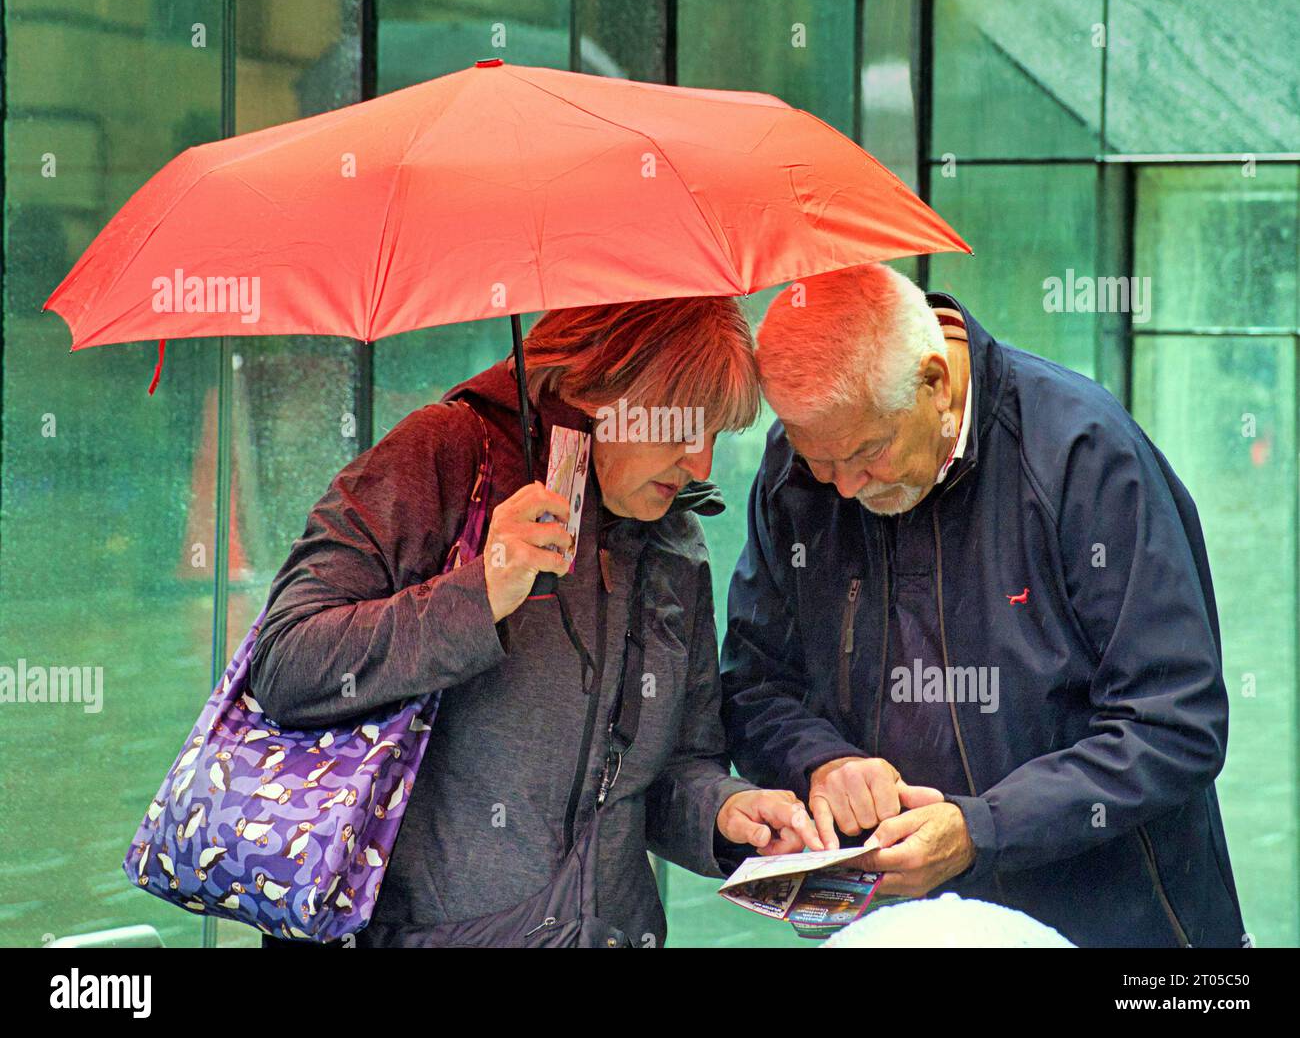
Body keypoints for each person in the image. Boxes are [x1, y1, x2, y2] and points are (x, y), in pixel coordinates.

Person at [249, 297, 820, 948]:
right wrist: (478, 594)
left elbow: (669, 769)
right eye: (682, 428)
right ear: (601, 385)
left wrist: (723, 810)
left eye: (716, 433)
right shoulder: (442, 454)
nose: (701, 465)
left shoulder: (676, 539)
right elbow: (285, 664)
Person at [720, 262, 1246, 947]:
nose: (845, 487)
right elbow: (754, 683)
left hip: (1118, 925)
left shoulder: (1083, 453)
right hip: (905, 927)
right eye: (821, 461)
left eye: (868, 452)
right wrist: (821, 759)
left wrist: (983, 827)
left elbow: (1176, 723)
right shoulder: (799, 468)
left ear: (935, 383)